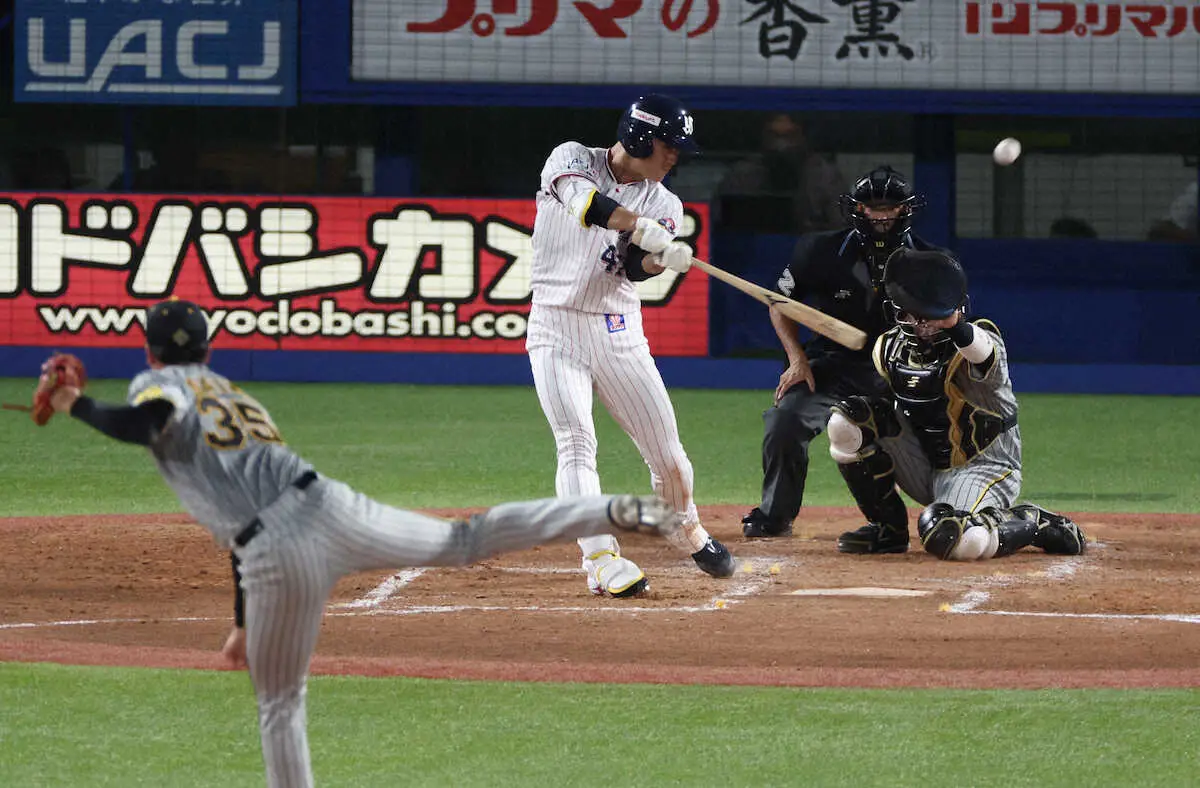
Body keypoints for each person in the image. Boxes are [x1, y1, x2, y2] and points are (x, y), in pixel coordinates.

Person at [38, 299, 685, 788]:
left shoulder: (159, 388)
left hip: (278, 551)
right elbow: (238, 497)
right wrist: (242, 623)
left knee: (281, 704)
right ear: (207, 349)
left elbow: (150, 422)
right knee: (465, 540)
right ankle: (602, 512)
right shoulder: (230, 393)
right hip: (330, 505)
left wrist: (74, 404)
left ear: (150, 354)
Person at [526, 93, 736, 597]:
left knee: (668, 455)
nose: (675, 157)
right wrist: (638, 226)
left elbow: (631, 268)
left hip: (618, 331)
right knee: (575, 440)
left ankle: (683, 526)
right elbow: (587, 206)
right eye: (669, 145)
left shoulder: (666, 203)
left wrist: (662, 259)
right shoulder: (572, 157)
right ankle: (600, 559)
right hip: (554, 327)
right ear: (641, 136)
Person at [826, 249, 1087, 560]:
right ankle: (887, 530)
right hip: (924, 463)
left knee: (963, 541)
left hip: (983, 467)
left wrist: (951, 322)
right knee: (846, 421)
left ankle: (1031, 521)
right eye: (914, 313)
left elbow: (981, 351)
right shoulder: (889, 348)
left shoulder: (979, 339)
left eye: (928, 314)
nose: (923, 324)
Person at [740, 166, 941, 540]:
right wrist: (797, 360)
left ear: (905, 209)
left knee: (942, 433)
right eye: (872, 206)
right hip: (830, 366)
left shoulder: (930, 261)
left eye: (890, 207)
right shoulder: (820, 249)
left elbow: (952, 322)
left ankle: (947, 507)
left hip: (901, 370)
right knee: (785, 421)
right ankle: (775, 514)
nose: (881, 215)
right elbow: (779, 303)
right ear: (856, 209)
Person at [717, 113, 846, 234]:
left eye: (790, 136)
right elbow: (722, 221)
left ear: (802, 138)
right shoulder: (742, 174)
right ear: (764, 137)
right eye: (774, 135)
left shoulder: (826, 176)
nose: (781, 145)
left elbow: (840, 226)